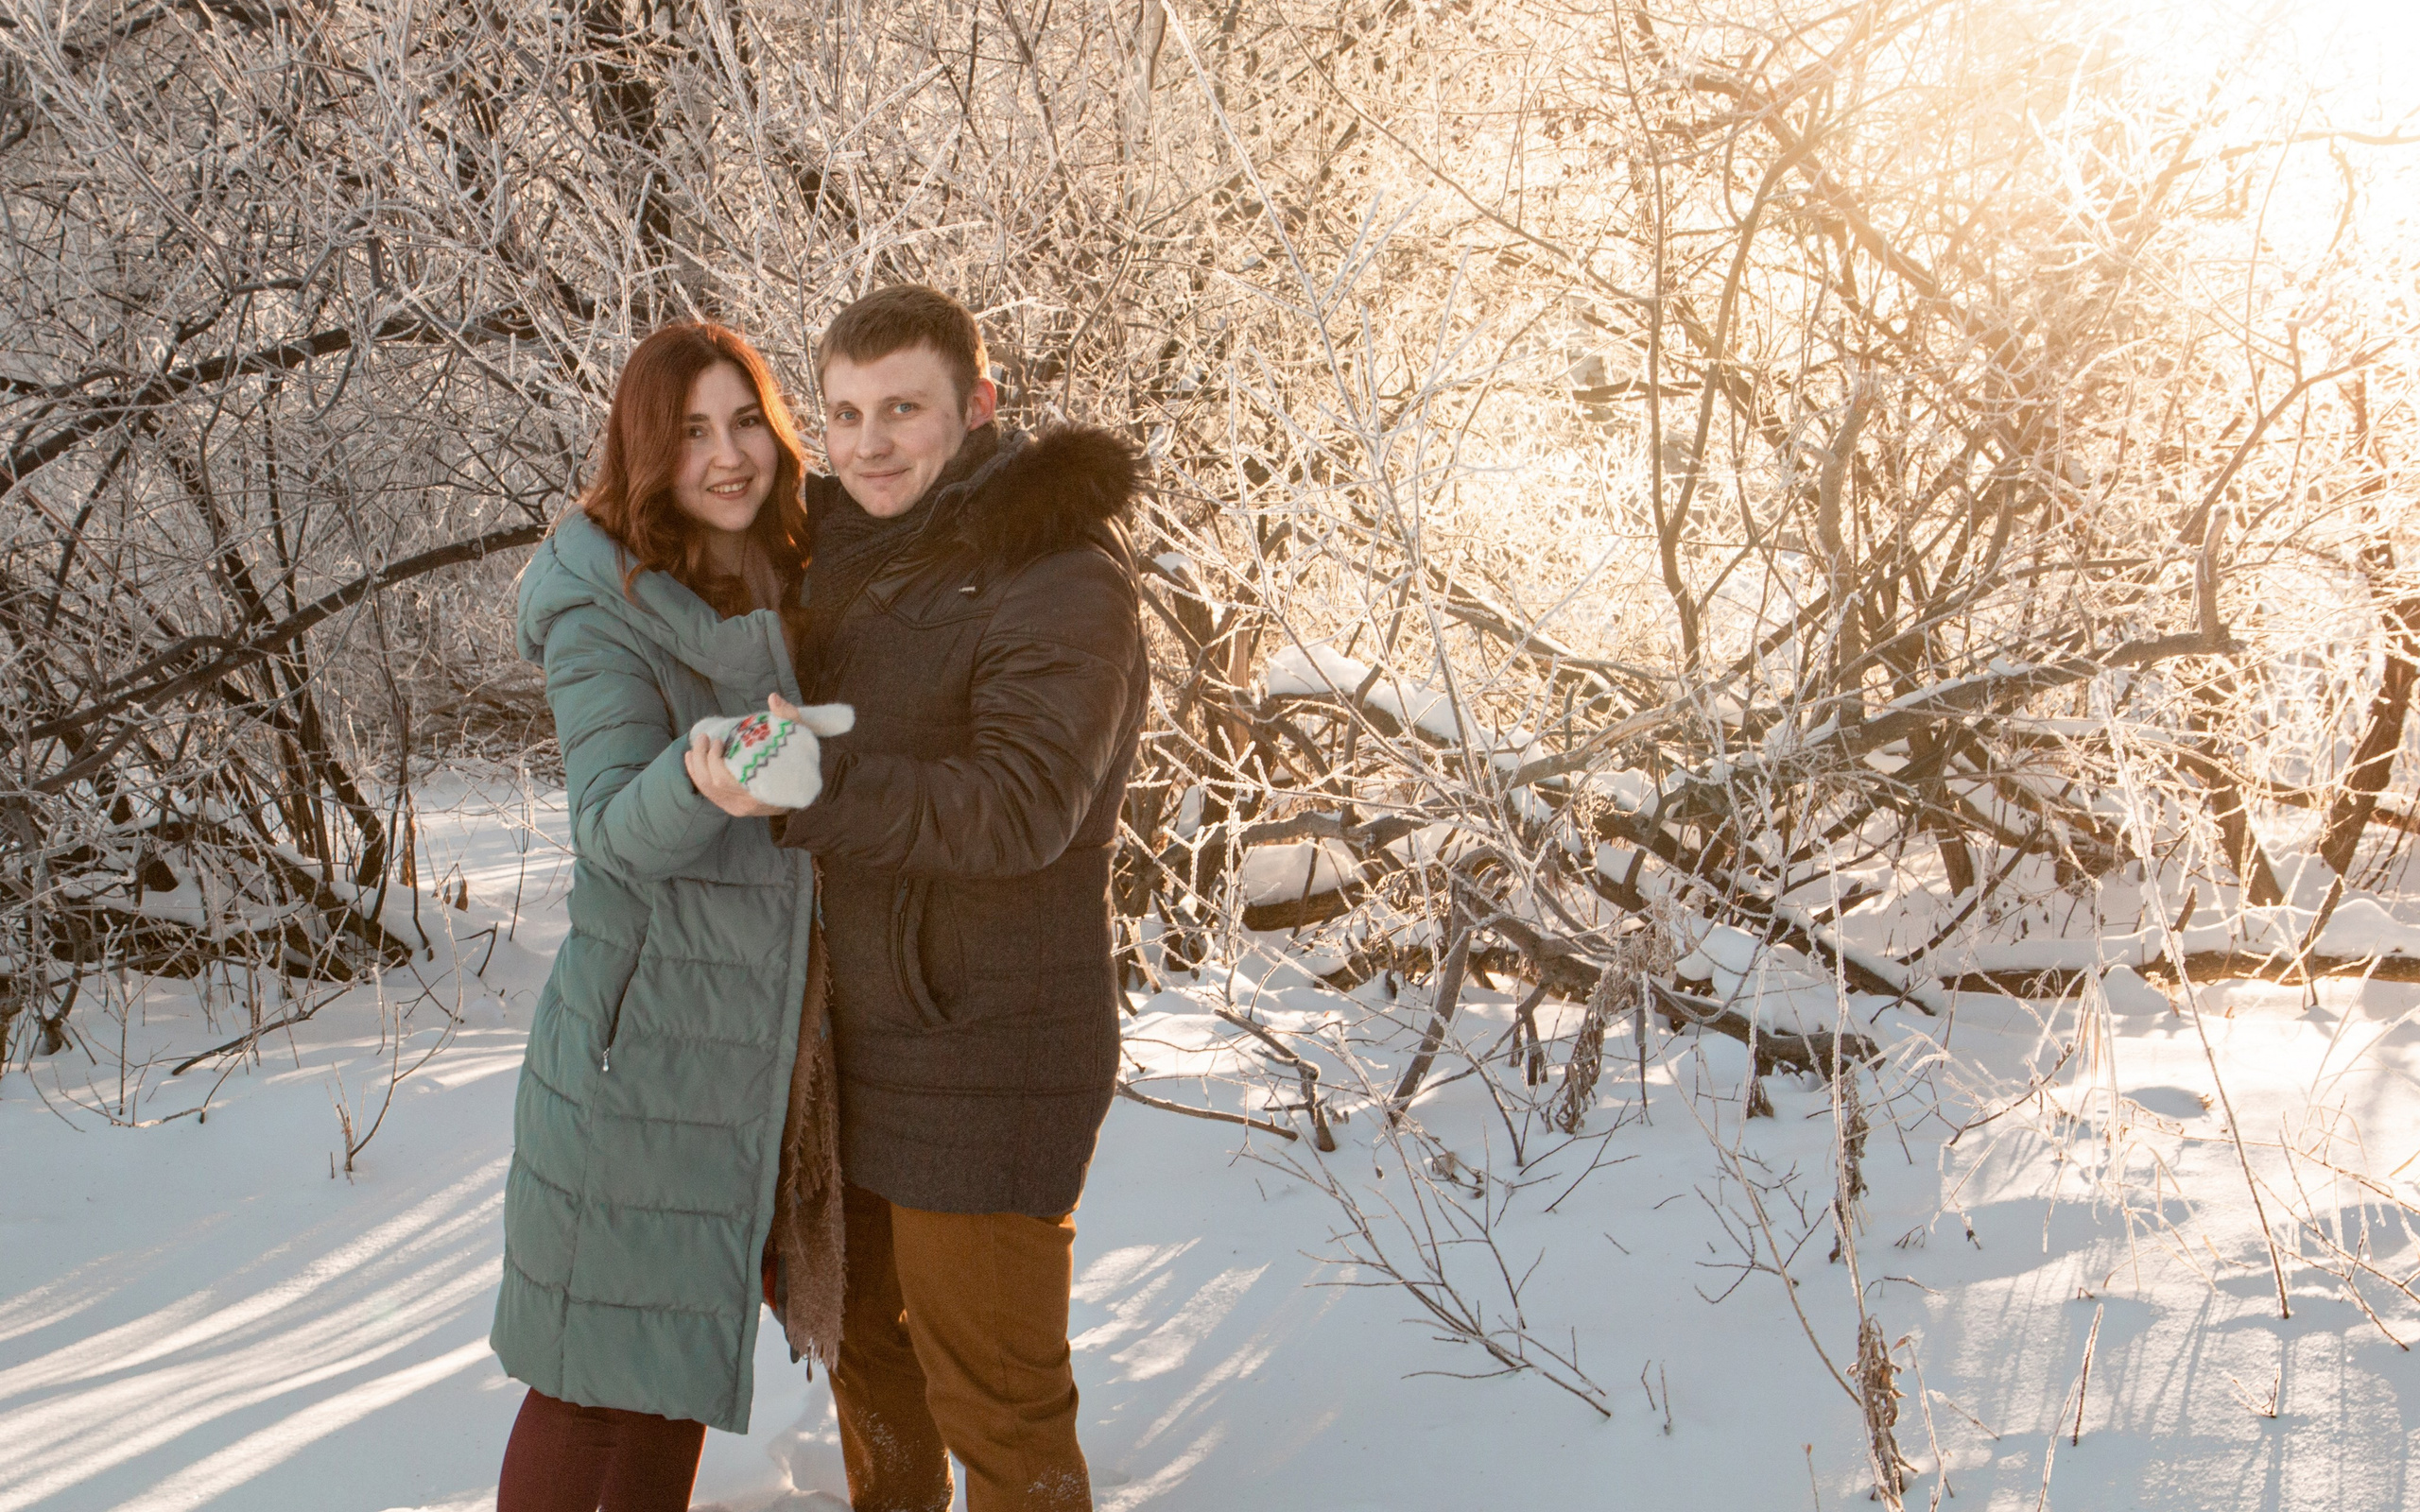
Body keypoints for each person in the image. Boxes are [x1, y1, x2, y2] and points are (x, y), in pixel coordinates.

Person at [688, 284, 1147, 1512]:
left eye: (904, 409)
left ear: (978, 404)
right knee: (871, 1369)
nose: (869, 443)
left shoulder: (1058, 572)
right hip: (853, 1046)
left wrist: (807, 780)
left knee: (998, 1407)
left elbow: (1020, 807)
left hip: (988, 1045)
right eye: (844, 414)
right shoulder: (843, 559)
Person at [493, 322, 845, 1512]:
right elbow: (608, 827)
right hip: (640, 1051)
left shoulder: (805, 568)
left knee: (674, 1370)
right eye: (692, 431)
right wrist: (705, 778)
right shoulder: (604, 604)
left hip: (749, 1053)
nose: (729, 455)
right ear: (648, 450)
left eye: (746, 421)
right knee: (592, 1379)